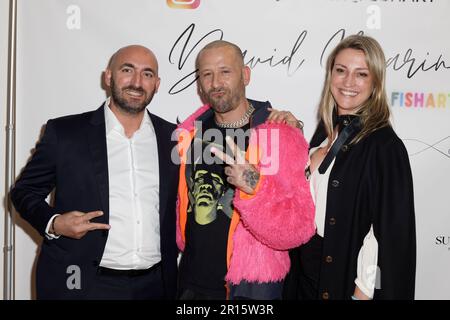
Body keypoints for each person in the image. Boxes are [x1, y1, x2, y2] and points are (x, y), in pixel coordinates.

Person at [10, 45, 179, 299]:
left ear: (157, 84)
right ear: (108, 76)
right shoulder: (65, 133)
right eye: (127, 70)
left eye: (147, 74)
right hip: (83, 285)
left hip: (155, 286)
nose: (136, 82)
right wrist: (54, 223)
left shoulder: (174, 138)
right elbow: (24, 192)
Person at [175, 40, 315, 300]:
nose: (215, 82)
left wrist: (254, 186)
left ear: (246, 75)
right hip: (192, 284)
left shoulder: (279, 134)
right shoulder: (191, 133)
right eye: (207, 74)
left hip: (253, 288)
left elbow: (300, 227)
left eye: (225, 71)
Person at [283, 35, 416, 300]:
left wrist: (363, 293)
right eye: (341, 70)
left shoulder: (385, 147)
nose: (348, 82)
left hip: (344, 283)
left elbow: (385, 238)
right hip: (304, 280)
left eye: (361, 74)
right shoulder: (324, 132)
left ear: (375, 82)